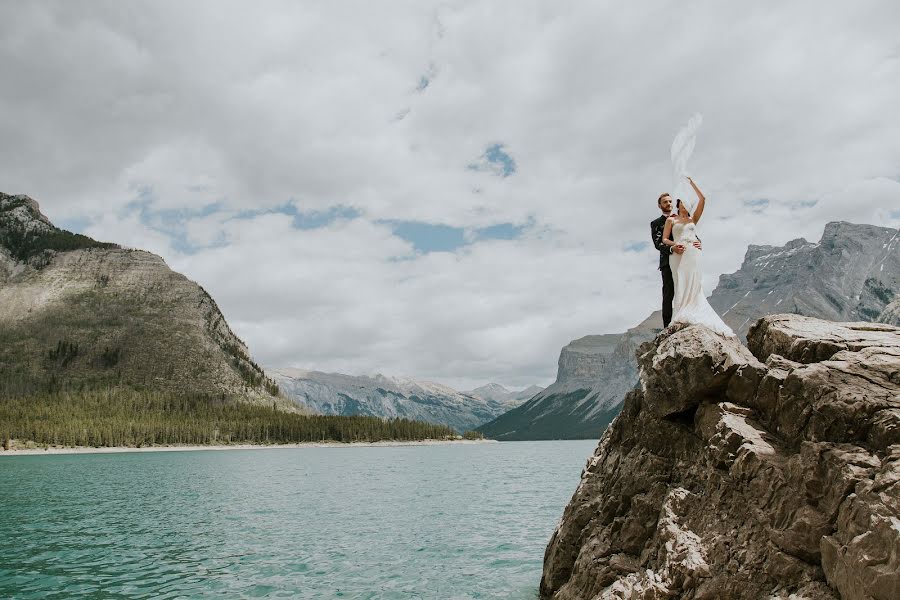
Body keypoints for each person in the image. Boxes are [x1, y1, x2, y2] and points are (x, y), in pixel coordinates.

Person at [661, 176, 735, 337]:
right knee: (680, 281)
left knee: (694, 281)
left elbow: (703, 199)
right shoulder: (671, 220)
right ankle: (681, 311)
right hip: (677, 254)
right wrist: (674, 246)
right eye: (683, 203)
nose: (686, 206)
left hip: (693, 253)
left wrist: (691, 183)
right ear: (679, 204)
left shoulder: (692, 219)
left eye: (689, 204)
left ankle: (693, 309)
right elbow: (664, 239)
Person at [650, 193, 700, 327]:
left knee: (687, 289)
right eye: (665, 202)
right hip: (668, 263)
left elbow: (691, 234)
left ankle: (689, 317)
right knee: (669, 294)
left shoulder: (682, 219)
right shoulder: (656, 223)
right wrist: (672, 249)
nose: (669, 204)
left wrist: (699, 243)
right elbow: (658, 244)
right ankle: (667, 326)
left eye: (670, 201)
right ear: (659, 205)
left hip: (686, 259)